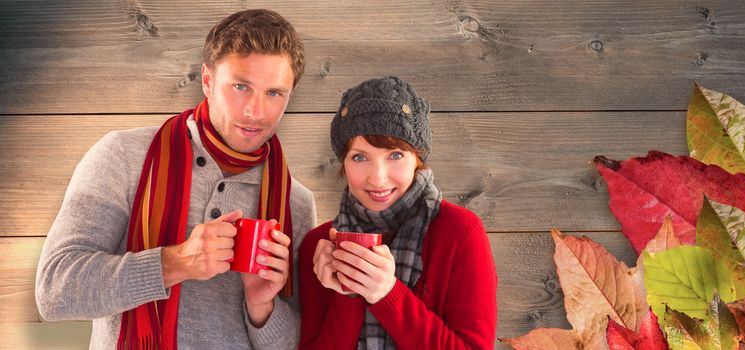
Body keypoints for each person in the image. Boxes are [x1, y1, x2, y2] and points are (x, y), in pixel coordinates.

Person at [35, 9, 316, 349]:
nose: (255, 112)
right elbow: (54, 292)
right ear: (207, 81)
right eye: (241, 86)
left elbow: (298, 344)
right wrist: (174, 263)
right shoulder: (123, 156)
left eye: (274, 93)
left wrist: (262, 307)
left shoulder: (295, 204)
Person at [298, 76, 498, 349]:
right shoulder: (319, 247)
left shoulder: (459, 233)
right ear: (343, 163)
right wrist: (348, 293)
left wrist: (388, 295)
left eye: (395, 155)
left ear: (418, 158)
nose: (377, 179)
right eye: (359, 157)